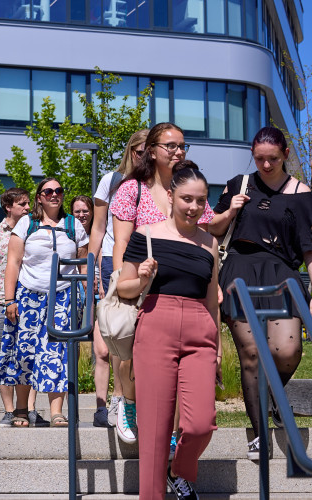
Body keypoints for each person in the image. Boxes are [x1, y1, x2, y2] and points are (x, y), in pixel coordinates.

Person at [209, 126, 312, 459]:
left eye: (272, 158)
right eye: (259, 158)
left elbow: (311, 247)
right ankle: (259, 433)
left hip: (283, 275)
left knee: (287, 350)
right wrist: (230, 210)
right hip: (239, 271)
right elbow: (212, 229)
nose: (266, 165)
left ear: (286, 154)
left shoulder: (301, 193)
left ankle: (271, 397)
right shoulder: (239, 185)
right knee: (252, 354)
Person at [117, 160, 219, 500]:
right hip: (155, 325)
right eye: (187, 199)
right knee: (155, 431)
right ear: (172, 196)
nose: (193, 207)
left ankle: (180, 469)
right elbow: (124, 290)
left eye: (201, 200)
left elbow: (211, 300)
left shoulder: (210, 244)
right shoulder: (145, 236)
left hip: (200, 331)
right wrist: (143, 277)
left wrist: (216, 348)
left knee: (201, 424)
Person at [109, 123, 215, 444]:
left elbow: (205, 238)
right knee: (131, 357)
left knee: (180, 371)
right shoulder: (132, 189)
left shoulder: (191, 188)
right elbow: (121, 242)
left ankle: (171, 433)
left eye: (183, 145)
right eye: (170, 146)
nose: (178, 151)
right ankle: (128, 403)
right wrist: (122, 285)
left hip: (184, 292)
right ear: (152, 151)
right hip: (143, 286)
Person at [0, 178, 89, 427]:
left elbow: (83, 267)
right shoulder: (27, 223)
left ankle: (56, 412)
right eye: (48, 191)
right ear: (39, 197)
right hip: (29, 295)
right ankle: (22, 410)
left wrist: (88, 301)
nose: (54, 195)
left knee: (56, 354)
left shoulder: (74, 226)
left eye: (59, 191)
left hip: (63, 296)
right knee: (24, 351)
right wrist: (9, 300)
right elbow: (13, 263)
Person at [89, 129, 148, 429]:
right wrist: (92, 268)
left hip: (148, 260)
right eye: (139, 151)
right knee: (119, 332)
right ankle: (118, 399)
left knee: (139, 334)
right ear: (130, 151)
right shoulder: (112, 181)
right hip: (115, 259)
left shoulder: (158, 184)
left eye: (150, 151)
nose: (145, 157)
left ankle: (128, 398)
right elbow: (98, 228)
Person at [0, 188, 49, 427]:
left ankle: (28, 409)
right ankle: (9, 411)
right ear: (8, 207)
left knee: (29, 355)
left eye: (29, 203)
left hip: (28, 300)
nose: (28, 208)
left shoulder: (34, 229)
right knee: (4, 357)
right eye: (22, 204)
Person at [70, 194, 109, 427]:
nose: (82, 215)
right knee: (71, 352)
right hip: (76, 297)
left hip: (100, 296)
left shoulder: (100, 236)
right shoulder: (70, 235)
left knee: (102, 351)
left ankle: (102, 409)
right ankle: (70, 408)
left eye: (86, 211)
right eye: (77, 211)